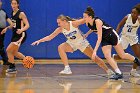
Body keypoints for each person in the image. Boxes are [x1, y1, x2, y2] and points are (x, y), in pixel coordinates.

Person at [31, 14, 114, 76]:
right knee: (60, 47)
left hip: (81, 43)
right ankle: (67, 68)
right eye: (57, 23)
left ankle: (109, 71)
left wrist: (95, 21)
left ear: (64, 21)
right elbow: (50, 37)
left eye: (59, 23)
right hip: (71, 44)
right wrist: (39, 40)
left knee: (96, 59)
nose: (58, 24)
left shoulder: (73, 24)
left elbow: (85, 20)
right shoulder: (60, 29)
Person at [83, 6, 140, 80]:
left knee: (122, 55)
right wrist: (87, 34)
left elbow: (99, 37)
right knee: (107, 56)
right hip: (104, 38)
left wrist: (94, 51)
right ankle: (118, 73)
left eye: (84, 16)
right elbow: (93, 29)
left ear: (90, 17)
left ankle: (135, 60)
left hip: (111, 35)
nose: (83, 18)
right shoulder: (87, 23)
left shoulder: (98, 21)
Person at [2, 0, 30, 73]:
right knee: (14, 52)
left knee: (8, 50)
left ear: (18, 4)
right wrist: (6, 28)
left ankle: (12, 67)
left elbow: (27, 25)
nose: (13, 5)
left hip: (20, 36)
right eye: (12, 4)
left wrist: (21, 30)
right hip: (14, 35)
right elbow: (13, 25)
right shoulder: (12, 13)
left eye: (15, 4)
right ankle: (27, 60)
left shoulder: (21, 13)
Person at [113, 4, 140, 77]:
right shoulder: (127, 17)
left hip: (133, 38)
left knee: (139, 55)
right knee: (121, 56)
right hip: (124, 37)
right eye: (132, 12)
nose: (132, 14)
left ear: (138, 14)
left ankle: (133, 71)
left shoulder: (139, 19)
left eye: (134, 13)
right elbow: (119, 25)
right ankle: (114, 57)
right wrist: (116, 34)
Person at [0, 0, 13, 65]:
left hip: (2, 31)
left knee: (1, 46)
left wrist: (6, 28)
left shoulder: (3, 12)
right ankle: (5, 60)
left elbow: (11, 23)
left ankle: (5, 61)